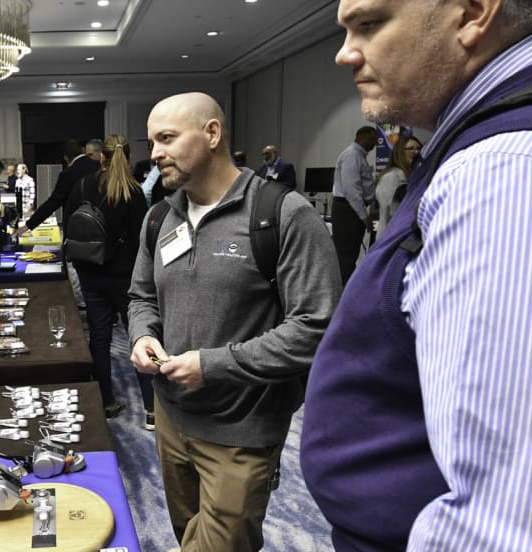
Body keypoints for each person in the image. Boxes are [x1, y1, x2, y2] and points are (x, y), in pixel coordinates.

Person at [301, 1, 532, 550]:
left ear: (471, 13)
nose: (344, 53)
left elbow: (509, 522)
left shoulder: (502, 174)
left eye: (368, 24)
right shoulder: (482, 148)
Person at [128, 92, 341, 551]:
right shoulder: (160, 218)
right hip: (170, 420)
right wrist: (143, 334)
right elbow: (141, 296)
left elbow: (315, 327)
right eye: (151, 143)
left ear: (211, 134)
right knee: (188, 535)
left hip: (241, 430)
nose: (154, 154)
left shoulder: (282, 214)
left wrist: (213, 365)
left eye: (166, 138)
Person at [65, 134, 152, 424]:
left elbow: (71, 227)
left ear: (100, 156)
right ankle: (151, 408)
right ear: (125, 157)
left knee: (99, 339)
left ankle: (105, 401)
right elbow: (142, 241)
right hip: (127, 278)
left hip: (91, 273)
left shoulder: (82, 185)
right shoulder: (134, 191)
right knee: (141, 337)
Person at [15, 139, 100, 237]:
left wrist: (29, 225)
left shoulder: (68, 174)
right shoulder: (99, 167)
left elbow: (53, 202)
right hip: (99, 223)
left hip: (76, 226)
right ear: (83, 150)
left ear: (66, 158)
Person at [331, 125, 378, 284]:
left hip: (350, 209)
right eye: (372, 139)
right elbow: (352, 190)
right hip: (348, 210)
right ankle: (343, 294)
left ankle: (345, 291)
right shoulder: (352, 156)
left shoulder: (358, 155)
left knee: (350, 254)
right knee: (346, 257)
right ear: (362, 137)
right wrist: (364, 216)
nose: (375, 143)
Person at [374, 135, 421, 236]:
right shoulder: (391, 176)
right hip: (391, 234)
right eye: (411, 149)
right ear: (400, 152)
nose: (416, 152)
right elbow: (389, 210)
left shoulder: (410, 175)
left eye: (418, 148)